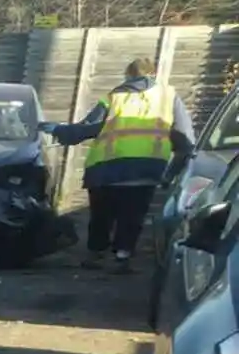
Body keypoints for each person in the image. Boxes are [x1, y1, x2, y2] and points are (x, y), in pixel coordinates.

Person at [41, 58, 195, 272]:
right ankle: (122, 256)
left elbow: (87, 128)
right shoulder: (169, 98)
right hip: (146, 169)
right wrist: (172, 174)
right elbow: (185, 139)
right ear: (154, 73)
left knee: (101, 215)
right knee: (133, 215)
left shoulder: (113, 97)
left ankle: (96, 254)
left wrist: (57, 130)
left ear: (127, 75)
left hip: (106, 168)